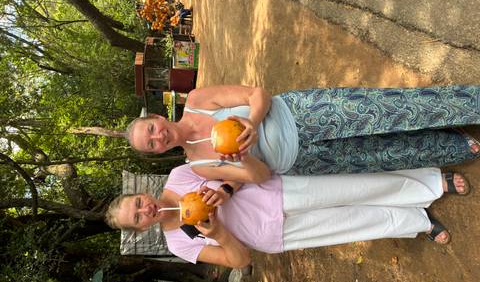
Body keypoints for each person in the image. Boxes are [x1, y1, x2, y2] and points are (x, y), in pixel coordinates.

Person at [105, 164, 469, 269]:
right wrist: (218, 232)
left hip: (277, 191)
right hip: (275, 235)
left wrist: (223, 190)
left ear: (141, 194)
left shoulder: (180, 176)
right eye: (137, 217)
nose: (144, 210)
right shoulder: (179, 242)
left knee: (356, 187)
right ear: (139, 229)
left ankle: (430, 183)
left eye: (137, 203)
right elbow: (239, 260)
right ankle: (419, 222)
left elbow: (237, 169)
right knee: (354, 223)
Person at [126, 85, 480, 183]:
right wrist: (245, 159)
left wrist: (251, 122)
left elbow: (257, 93)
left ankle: (468, 105)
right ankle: (456, 144)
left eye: (152, 130)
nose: (159, 138)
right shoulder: (200, 165)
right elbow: (263, 178)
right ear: (157, 153)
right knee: (382, 154)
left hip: (303, 113)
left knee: (385, 108)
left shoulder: (199, 101)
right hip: (303, 160)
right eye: (152, 145)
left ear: (158, 117)